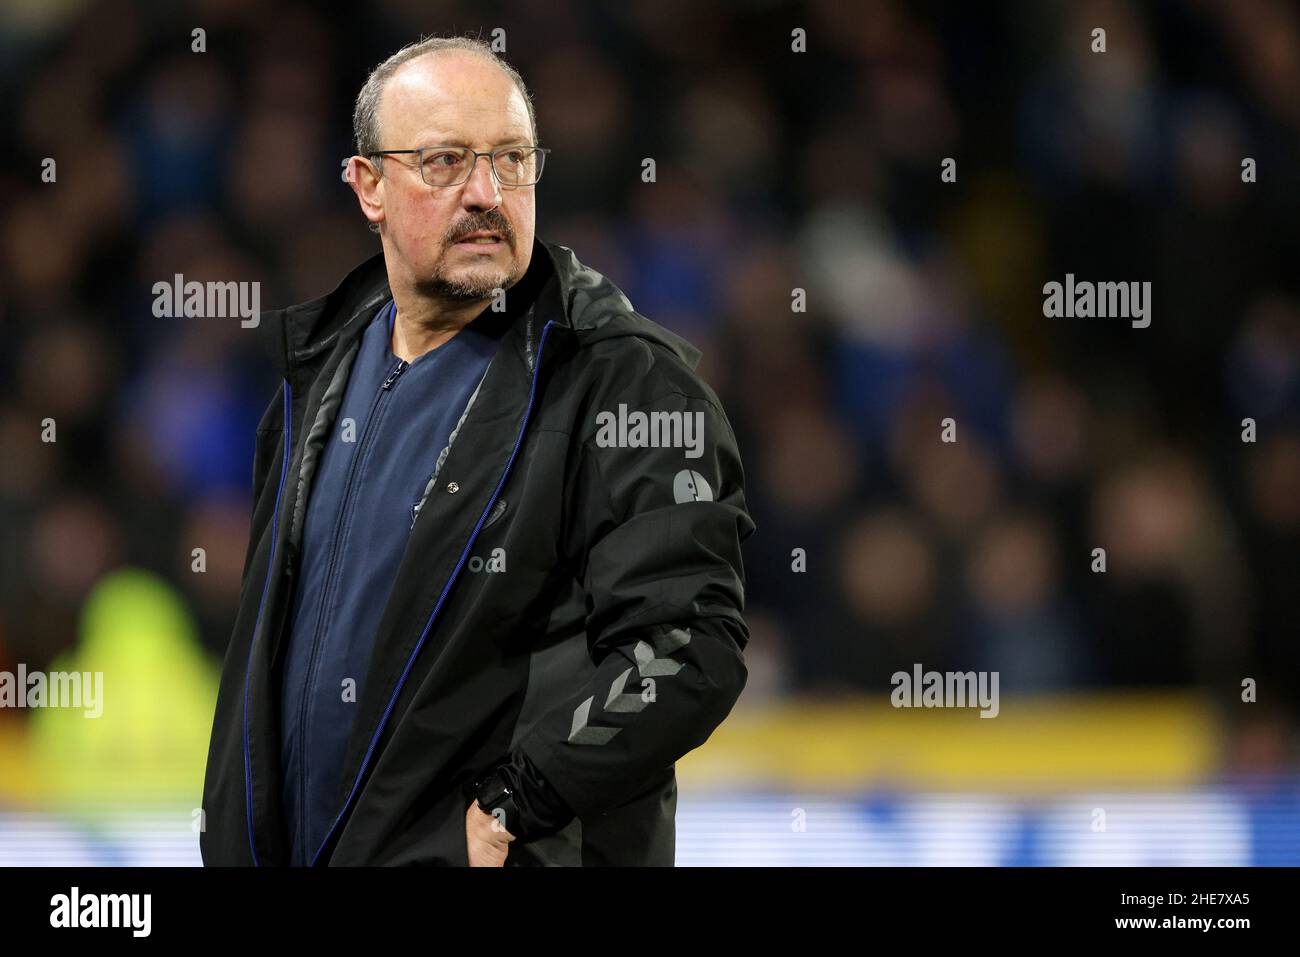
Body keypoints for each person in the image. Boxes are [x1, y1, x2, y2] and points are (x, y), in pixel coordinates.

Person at [199, 35, 755, 866]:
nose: (486, 193)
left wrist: (512, 806)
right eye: (445, 161)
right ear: (368, 186)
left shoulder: (622, 382)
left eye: (511, 159)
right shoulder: (313, 377)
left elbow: (688, 646)